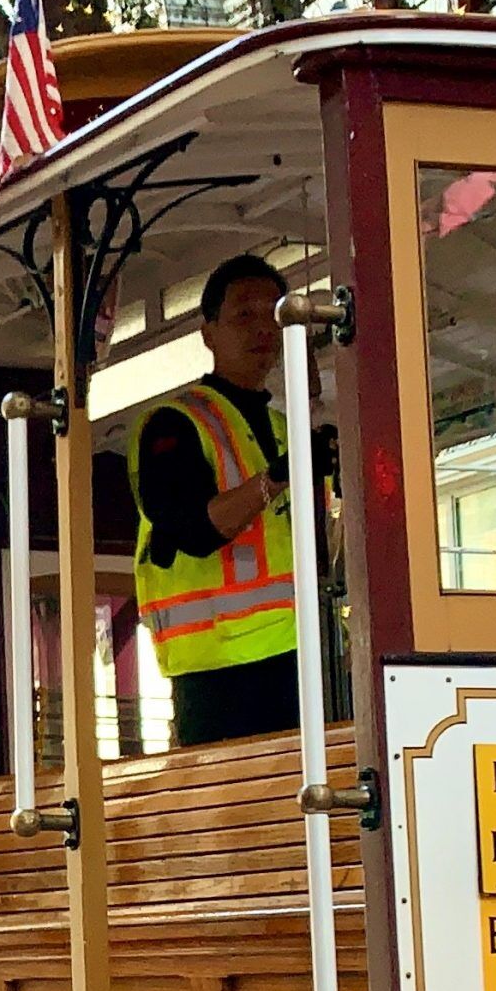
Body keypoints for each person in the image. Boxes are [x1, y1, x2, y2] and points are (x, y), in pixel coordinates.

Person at [128, 254, 328, 748]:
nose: (262, 328)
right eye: (244, 315)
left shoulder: (286, 430)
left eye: (274, 316)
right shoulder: (174, 425)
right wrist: (279, 477)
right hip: (214, 670)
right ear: (208, 332)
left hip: (296, 654)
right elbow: (192, 530)